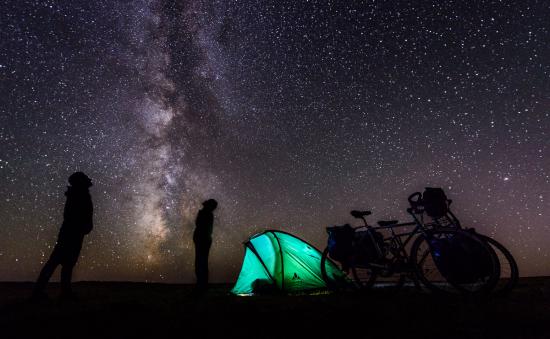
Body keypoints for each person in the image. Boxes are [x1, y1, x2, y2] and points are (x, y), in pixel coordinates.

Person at [32, 172, 94, 301]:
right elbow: (74, 216)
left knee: (64, 263)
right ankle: (43, 292)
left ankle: (61, 292)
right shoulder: (79, 195)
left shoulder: (77, 195)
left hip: (72, 233)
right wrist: (83, 227)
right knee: (57, 262)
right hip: (72, 234)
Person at [193, 199, 217, 291]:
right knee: (202, 261)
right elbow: (207, 228)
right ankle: (202, 283)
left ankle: (201, 283)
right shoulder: (208, 214)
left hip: (200, 238)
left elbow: (198, 225)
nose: (214, 209)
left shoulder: (203, 213)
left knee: (200, 261)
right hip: (203, 239)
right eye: (214, 207)